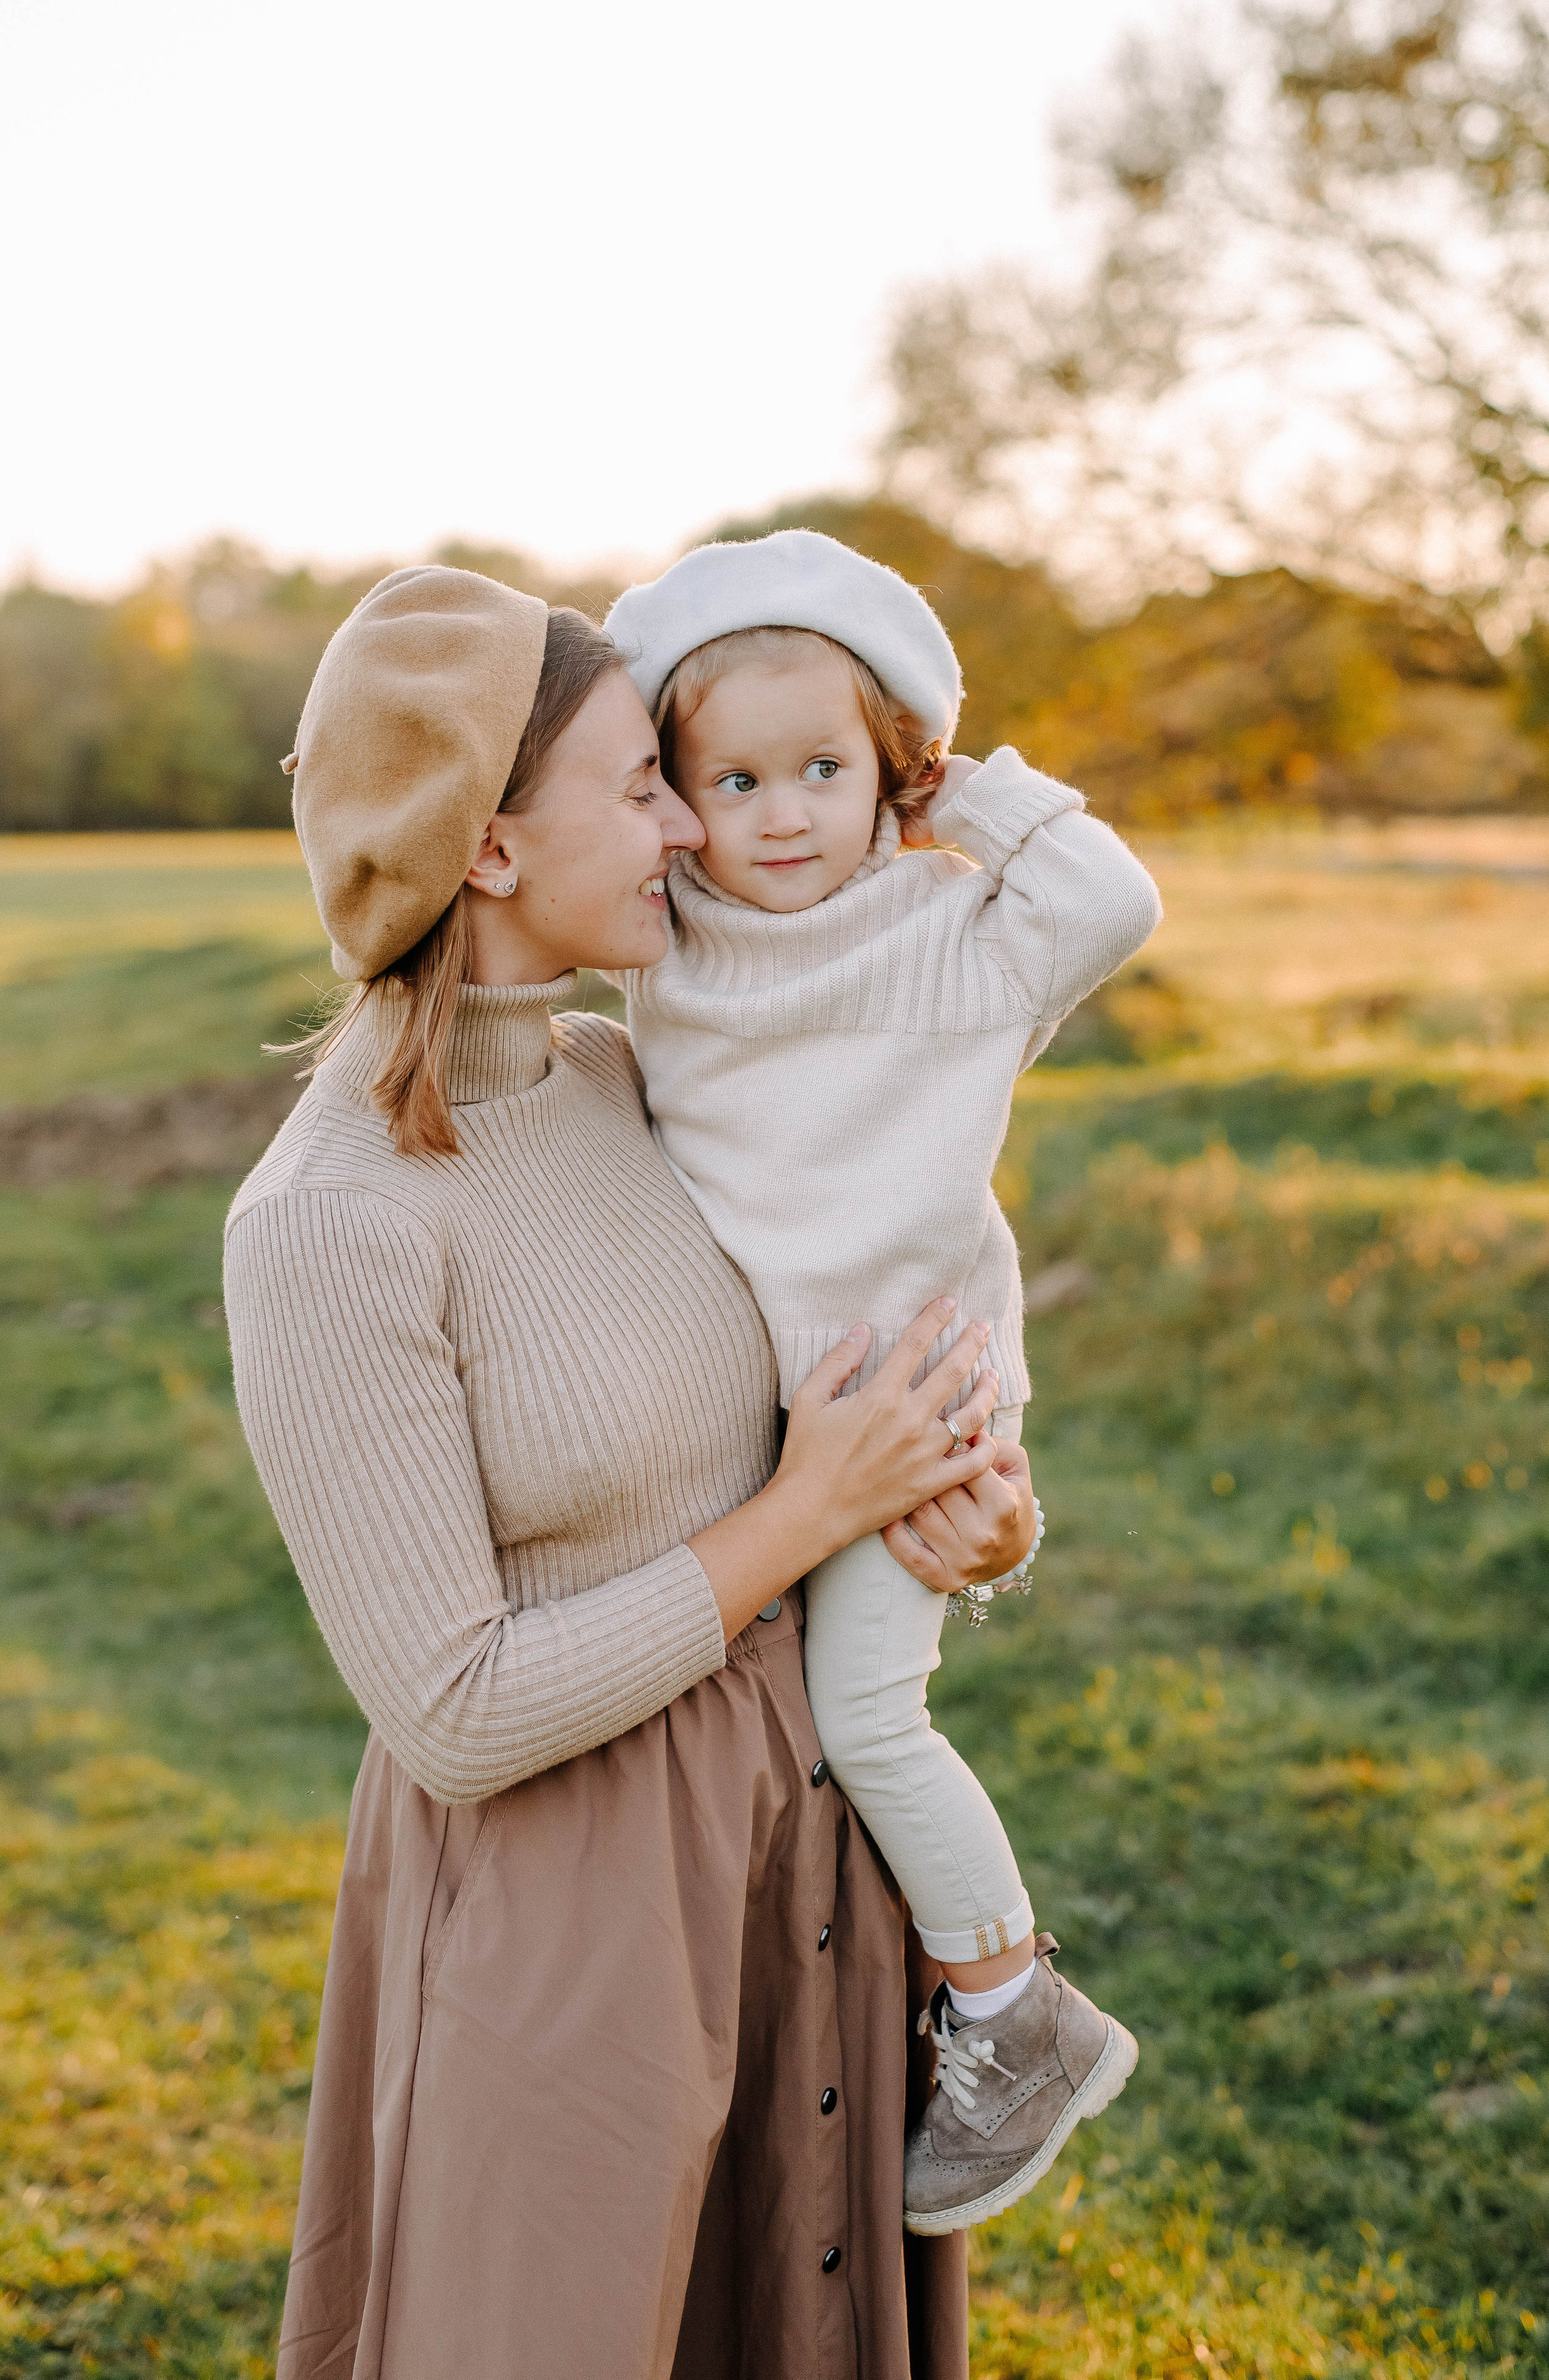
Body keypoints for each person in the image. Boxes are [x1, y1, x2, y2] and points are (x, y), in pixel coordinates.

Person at [224, 562, 1038, 2380]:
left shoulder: (631, 1078)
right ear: (494, 851)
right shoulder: (330, 1224)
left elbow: (809, 1420)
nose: (691, 821)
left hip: (803, 1841)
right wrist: (800, 1516)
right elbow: (451, 1709)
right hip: (567, 1915)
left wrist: (961, 1513)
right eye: (642, 782)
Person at [606, 529, 1163, 2235]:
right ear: (681, 794)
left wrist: (964, 794)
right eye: (740, 778)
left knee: (864, 1715)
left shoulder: (952, 933)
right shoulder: (676, 942)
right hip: (760, 1415)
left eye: (829, 771)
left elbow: (1114, 903)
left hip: (909, 1401)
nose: (785, 815)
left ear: (889, 773)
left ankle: (1010, 2005)